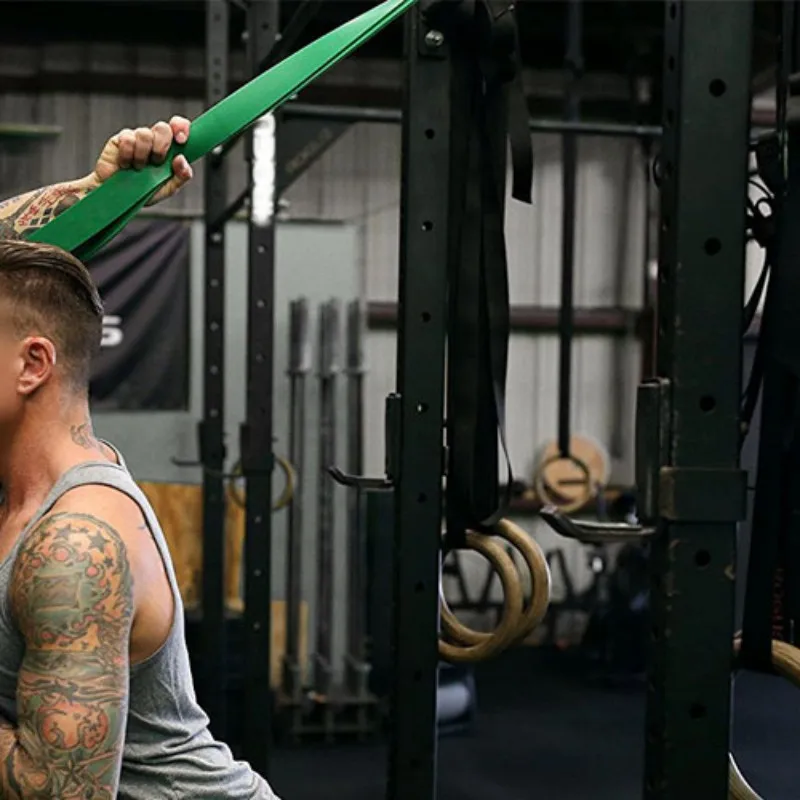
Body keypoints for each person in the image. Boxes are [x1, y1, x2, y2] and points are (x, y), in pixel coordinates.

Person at [0, 118, 281, 799]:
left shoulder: (75, 542)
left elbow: (54, 791)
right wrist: (92, 193)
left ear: (32, 365)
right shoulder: (19, 491)